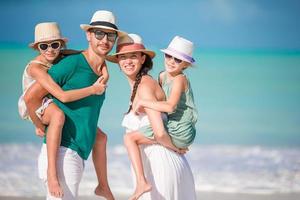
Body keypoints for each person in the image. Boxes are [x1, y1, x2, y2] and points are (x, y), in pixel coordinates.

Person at [24, 10, 125, 200]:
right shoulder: (71, 64)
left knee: (101, 136)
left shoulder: (100, 74)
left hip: (76, 154)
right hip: (62, 154)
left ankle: (103, 187)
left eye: (110, 36)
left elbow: (85, 117)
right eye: (99, 34)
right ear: (88, 35)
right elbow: (31, 97)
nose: (105, 40)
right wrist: (39, 125)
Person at [106, 34, 196, 200]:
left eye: (133, 56)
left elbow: (160, 132)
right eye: (123, 57)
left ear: (142, 58)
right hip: (158, 163)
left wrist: (176, 147)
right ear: (117, 61)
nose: (127, 61)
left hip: (161, 164)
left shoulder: (145, 86)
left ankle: (141, 182)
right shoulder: (150, 82)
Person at [135, 35, 198, 152]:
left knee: (131, 138)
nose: (171, 61)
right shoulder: (162, 76)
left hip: (181, 129)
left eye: (178, 59)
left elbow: (170, 106)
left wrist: (143, 102)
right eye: (169, 56)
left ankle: (175, 148)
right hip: (170, 122)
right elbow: (159, 102)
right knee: (142, 126)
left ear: (186, 64)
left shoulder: (180, 79)